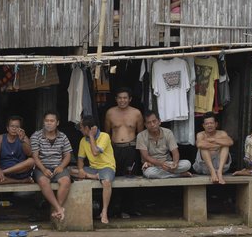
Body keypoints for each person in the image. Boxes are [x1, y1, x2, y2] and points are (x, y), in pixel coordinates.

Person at [104, 87, 143, 218]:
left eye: (125, 98)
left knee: (129, 178)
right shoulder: (110, 113)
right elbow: (107, 133)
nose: (122, 100)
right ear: (116, 99)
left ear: (130, 99)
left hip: (130, 148)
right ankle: (114, 209)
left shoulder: (136, 113)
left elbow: (141, 133)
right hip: (114, 149)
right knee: (114, 178)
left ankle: (128, 209)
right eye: (120, 98)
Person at [71, 115, 116, 224]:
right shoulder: (82, 140)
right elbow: (80, 159)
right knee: (70, 171)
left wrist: (91, 136)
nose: (80, 130)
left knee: (106, 183)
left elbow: (95, 152)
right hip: (93, 169)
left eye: (82, 128)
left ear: (88, 129)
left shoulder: (104, 136)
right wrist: (81, 169)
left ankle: (104, 211)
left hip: (107, 167)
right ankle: (94, 177)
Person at [31, 111, 72, 222]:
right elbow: (35, 156)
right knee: (44, 182)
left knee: (66, 181)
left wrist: (61, 166)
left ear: (57, 123)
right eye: (47, 121)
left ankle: (56, 209)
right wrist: (43, 169)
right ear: (43, 122)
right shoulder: (36, 136)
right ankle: (59, 209)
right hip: (41, 167)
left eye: (52, 121)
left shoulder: (63, 136)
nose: (49, 123)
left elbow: (68, 155)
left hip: (58, 167)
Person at [137, 111, 192, 179]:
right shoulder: (141, 136)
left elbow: (175, 152)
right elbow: (146, 156)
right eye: (149, 122)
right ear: (145, 125)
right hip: (152, 165)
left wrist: (175, 163)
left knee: (187, 164)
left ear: (159, 121)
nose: (152, 124)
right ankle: (178, 175)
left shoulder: (168, 132)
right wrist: (160, 164)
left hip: (167, 163)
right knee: (149, 173)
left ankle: (167, 173)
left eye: (154, 121)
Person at [0, 116, 34, 185]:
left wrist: (22, 140)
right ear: (7, 128)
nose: (14, 128)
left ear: (20, 129)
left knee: (31, 161)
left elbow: (29, 153)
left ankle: (4, 172)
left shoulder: (24, 138)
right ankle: (21, 181)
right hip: (4, 169)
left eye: (17, 127)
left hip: (19, 171)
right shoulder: (0, 138)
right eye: (12, 126)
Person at [193, 112, 233, 184]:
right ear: (203, 126)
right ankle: (213, 172)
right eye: (207, 124)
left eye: (211, 123)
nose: (209, 125)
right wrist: (218, 145)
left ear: (216, 124)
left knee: (226, 146)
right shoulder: (201, 134)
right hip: (204, 167)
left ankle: (219, 173)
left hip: (221, 167)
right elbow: (199, 144)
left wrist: (214, 140)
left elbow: (230, 142)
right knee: (203, 147)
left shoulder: (222, 133)